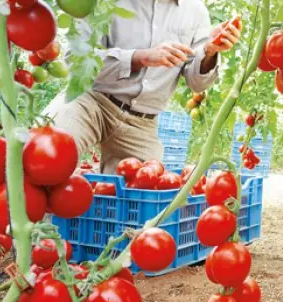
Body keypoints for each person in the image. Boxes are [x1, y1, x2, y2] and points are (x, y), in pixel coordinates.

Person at [44, 0, 241, 174]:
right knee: (49, 150)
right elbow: (77, 60)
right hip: (92, 102)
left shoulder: (196, 11)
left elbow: (196, 82)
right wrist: (140, 57)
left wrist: (209, 52)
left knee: (141, 199)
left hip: (142, 123)